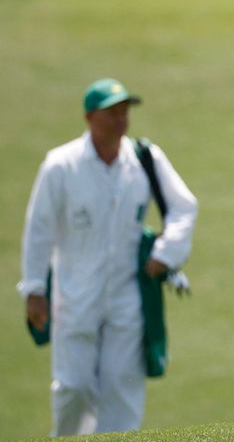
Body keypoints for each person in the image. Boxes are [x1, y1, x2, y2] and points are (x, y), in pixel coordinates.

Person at [18, 78, 198, 436]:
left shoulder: (145, 159)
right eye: (111, 113)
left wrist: (166, 253)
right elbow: (39, 230)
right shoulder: (60, 165)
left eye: (124, 112)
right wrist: (34, 289)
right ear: (89, 118)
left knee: (122, 391)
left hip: (126, 297)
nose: (120, 120)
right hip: (74, 295)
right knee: (73, 387)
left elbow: (184, 207)